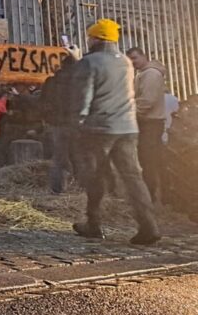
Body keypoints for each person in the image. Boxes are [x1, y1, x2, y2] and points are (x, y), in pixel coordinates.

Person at [71, 19, 160, 245]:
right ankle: (149, 226)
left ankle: (93, 224)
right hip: (128, 127)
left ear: (95, 39)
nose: (88, 40)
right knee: (133, 177)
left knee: (96, 175)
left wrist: (78, 122)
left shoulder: (89, 62)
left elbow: (84, 98)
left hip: (99, 128)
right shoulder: (125, 63)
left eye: (90, 36)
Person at [126, 47, 168, 203]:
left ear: (144, 56)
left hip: (150, 123)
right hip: (148, 122)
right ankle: (151, 196)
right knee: (148, 160)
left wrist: (130, 112)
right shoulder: (143, 74)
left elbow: (146, 101)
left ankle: (149, 198)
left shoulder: (151, 74)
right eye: (130, 60)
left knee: (148, 161)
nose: (133, 62)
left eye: (135, 58)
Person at [40, 45, 83, 193]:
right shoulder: (80, 80)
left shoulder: (51, 81)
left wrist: (48, 119)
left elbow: (43, 101)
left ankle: (56, 190)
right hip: (76, 123)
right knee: (79, 156)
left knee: (58, 158)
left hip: (57, 124)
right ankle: (81, 187)